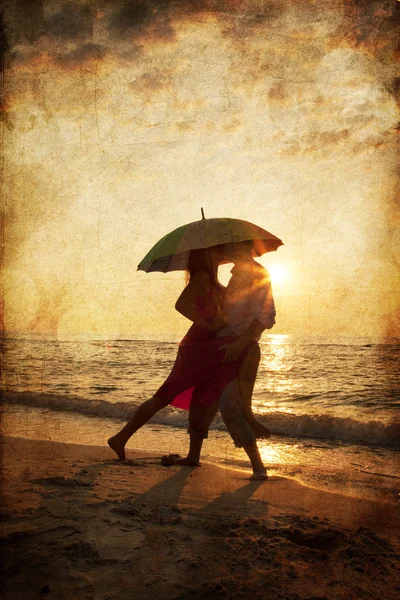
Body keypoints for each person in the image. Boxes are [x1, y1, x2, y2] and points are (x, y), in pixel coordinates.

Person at [107, 245, 266, 462]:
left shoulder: (212, 279)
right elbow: (181, 305)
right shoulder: (201, 277)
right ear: (205, 255)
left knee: (204, 395)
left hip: (209, 345)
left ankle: (193, 455)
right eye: (216, 251)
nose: (222, 254)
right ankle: (121, 437)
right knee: (166, 393)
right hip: (197, 346)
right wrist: (208, 325)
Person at [163, 240, 276, 480]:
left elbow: (264, 317)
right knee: (201, 399)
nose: (229, 251)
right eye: (229, 248)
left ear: (248, 249)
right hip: (218, 347)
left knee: (229, 404)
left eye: (236, 247)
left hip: (239, 348)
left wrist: (238, 344)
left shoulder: (258, 274)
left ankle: (258, 466)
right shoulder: (235, 276)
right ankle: (193, 456)